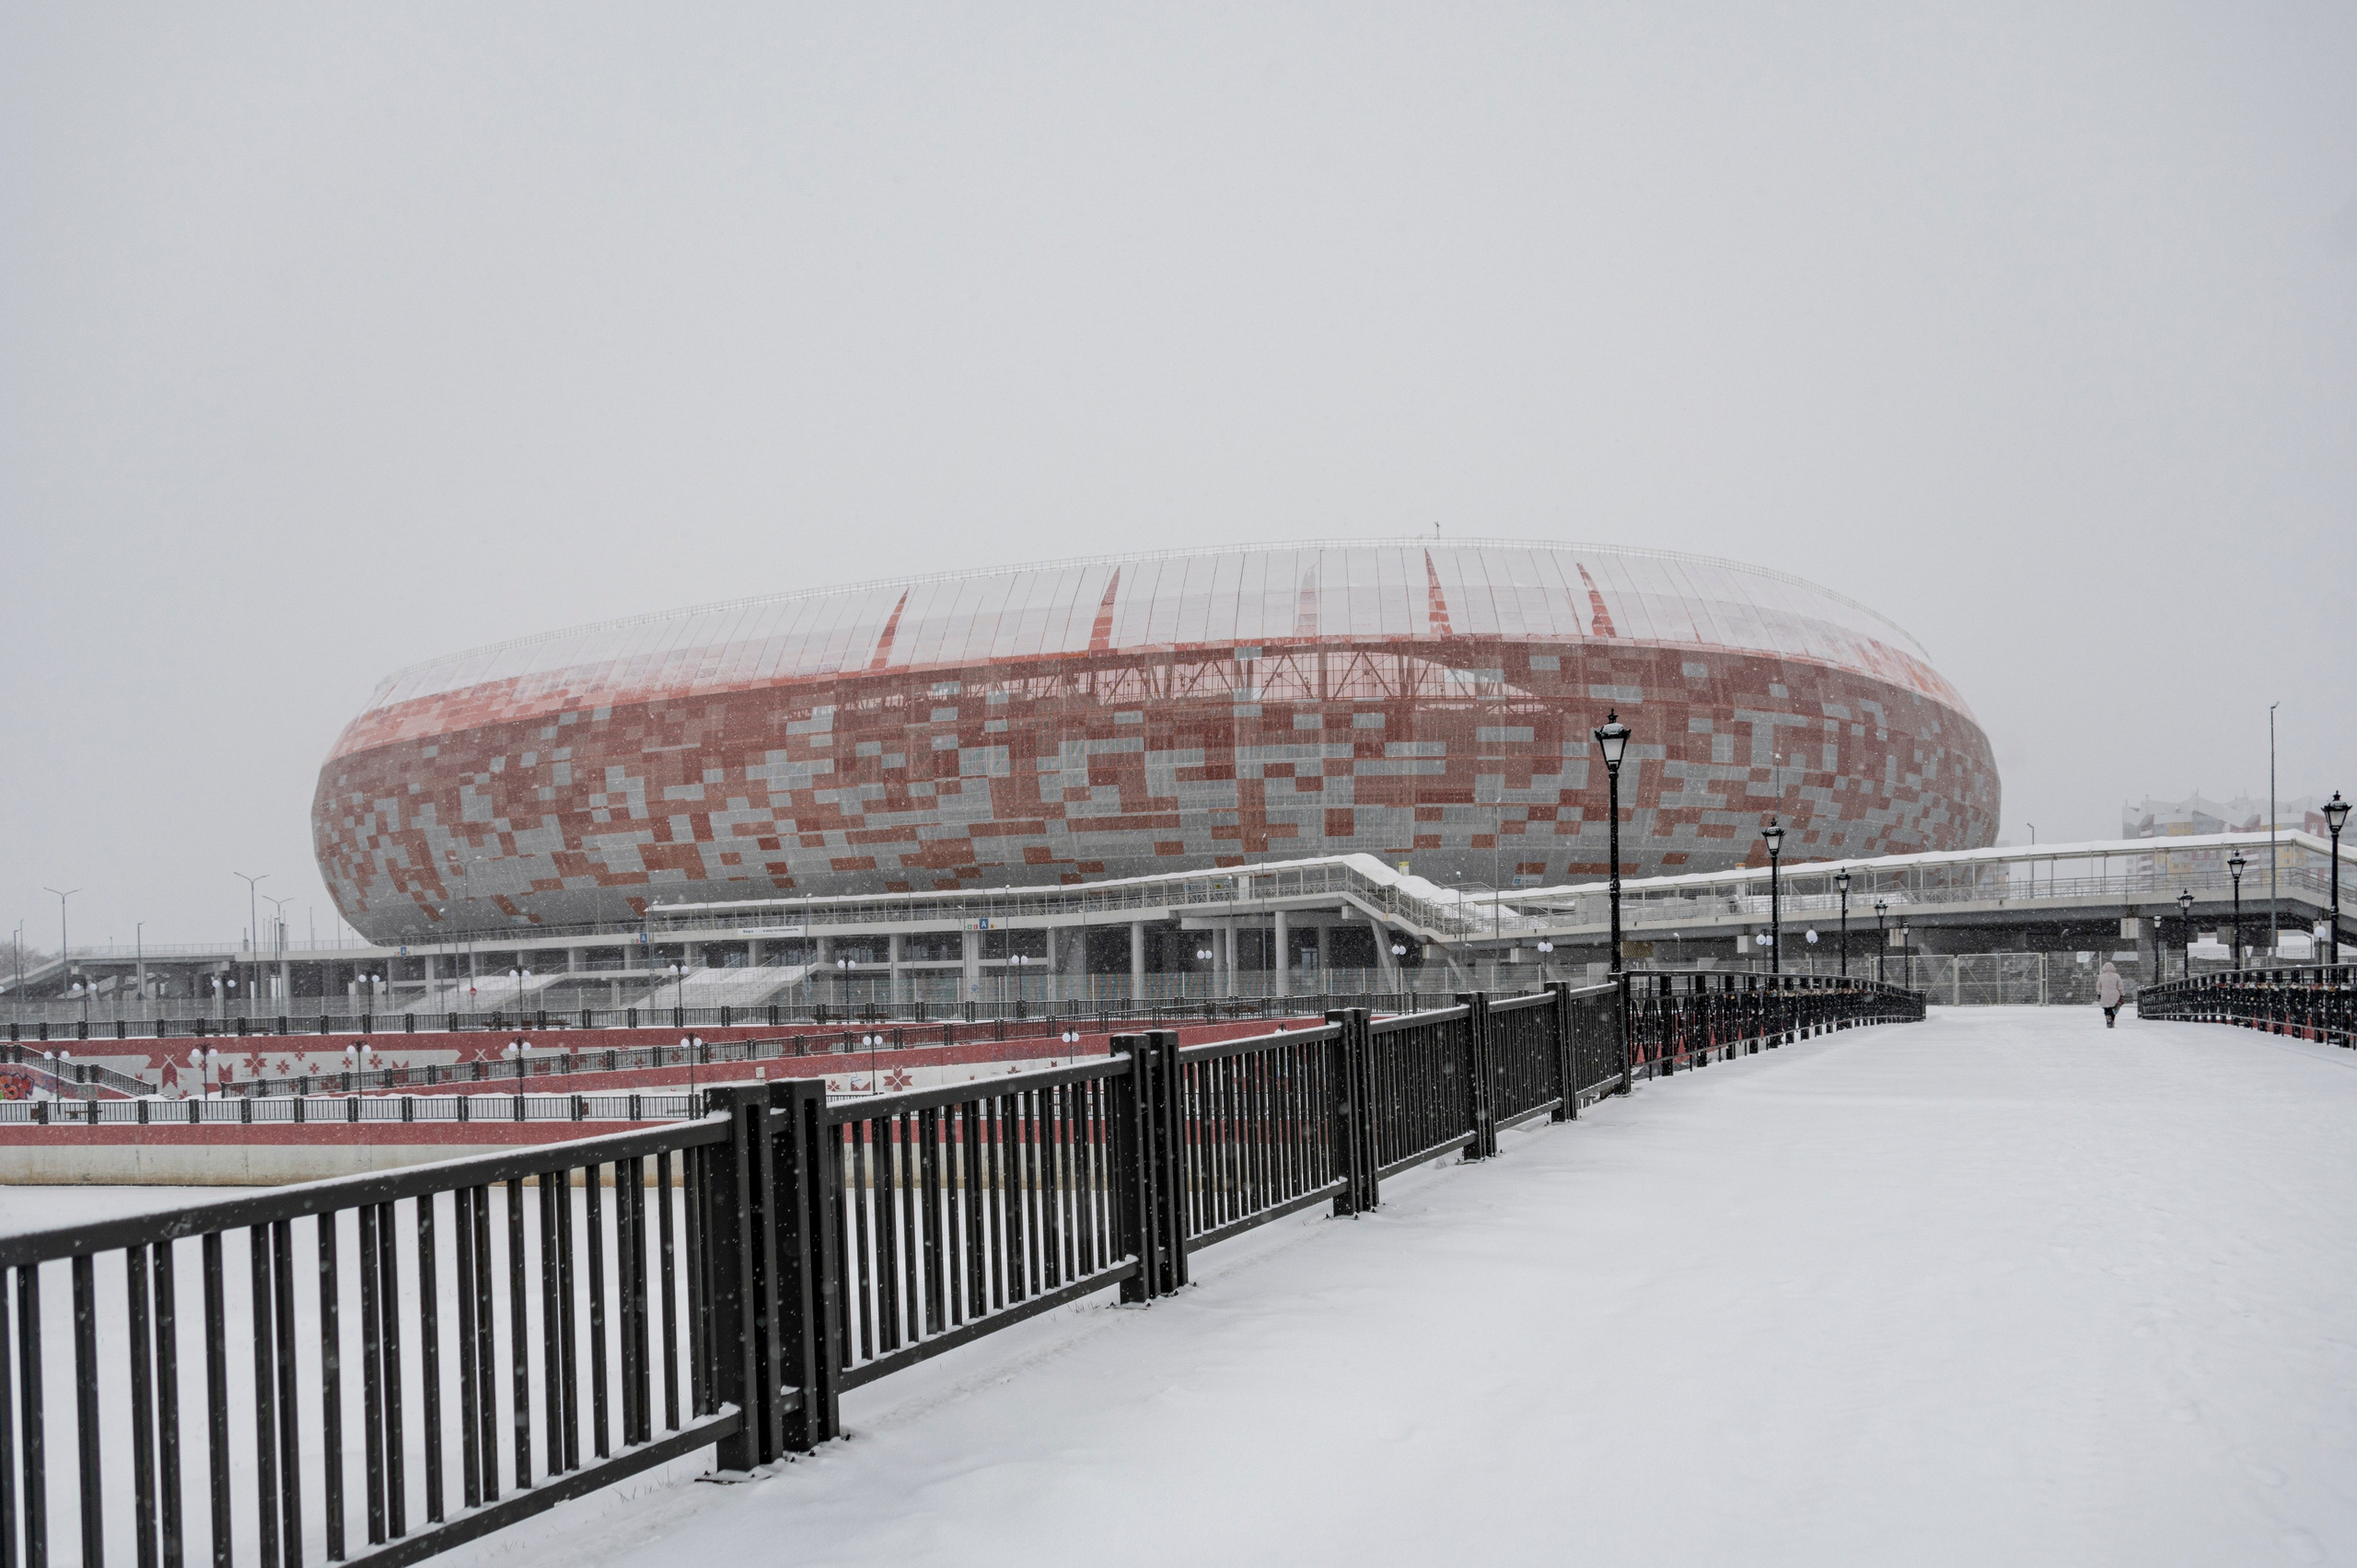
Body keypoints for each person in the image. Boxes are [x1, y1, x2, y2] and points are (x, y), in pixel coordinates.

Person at [2096, 961, 2125, 1028]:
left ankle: (2108, 1016)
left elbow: (2098, 986)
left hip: (2104, 994)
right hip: (2115, 994)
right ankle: (2112, 1020)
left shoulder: (2101, 976)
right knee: (2113, 1009)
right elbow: (2120, 986)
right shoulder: (2116, 976)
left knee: (2106, 1008)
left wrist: (2099, 993)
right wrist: (2122, 994)